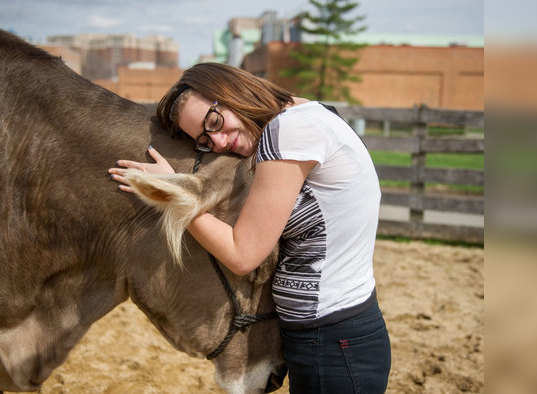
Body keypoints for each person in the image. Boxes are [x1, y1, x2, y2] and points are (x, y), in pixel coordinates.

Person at [108, 63, 390, 393]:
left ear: (231, 90)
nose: (220, 141)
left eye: (214, 122)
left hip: (333, 340)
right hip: (332, 336)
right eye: (205, 140)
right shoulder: (305, 116)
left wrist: (174, 195)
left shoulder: (289, 131)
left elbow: (243, 255)